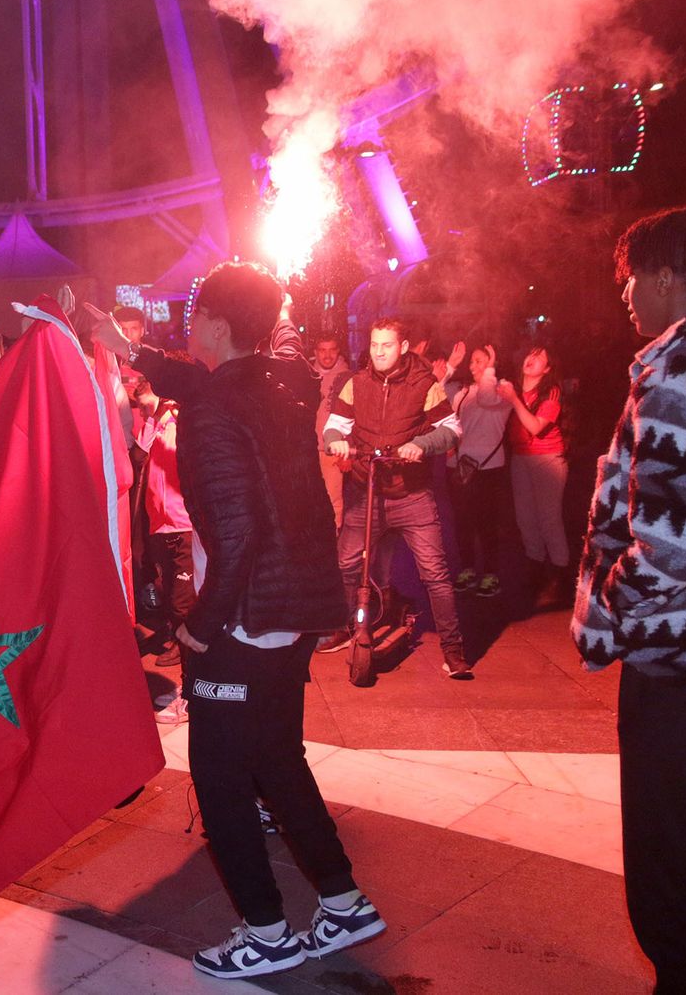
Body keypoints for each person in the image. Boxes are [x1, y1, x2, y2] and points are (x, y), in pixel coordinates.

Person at [94, 265, 383, 980]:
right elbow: (200, 383)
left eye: (195, 319)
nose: (188, 331)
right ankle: (342, 900)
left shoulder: (215, 409)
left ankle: (265, 929)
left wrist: (200, 625)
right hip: (294, 610)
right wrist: (120, 346)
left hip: (248, 616)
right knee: (279, 759)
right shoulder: (278, 384)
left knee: (221, 774)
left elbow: (239, 527)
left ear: (215, 327)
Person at [574, 205, 686, 994]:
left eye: (632, 278)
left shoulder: (676, 371)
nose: (627, 296)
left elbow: (665, 547)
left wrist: (603, 610)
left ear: (668, 277)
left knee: (680, 900)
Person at [321, 317, 471, 679]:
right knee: (345, 564)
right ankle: (348, 626)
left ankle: (453, 651)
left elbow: (452, 430)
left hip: (412, 495)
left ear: (402, 347)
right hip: (366, 489)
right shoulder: (356, 383)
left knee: (435, 573)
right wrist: (334, 441)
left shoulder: (424, 384)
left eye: (386, 345)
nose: (378, 352)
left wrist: (421, 444)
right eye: (374, 345)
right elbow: (334, 425)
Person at [131, 375, 192, 694]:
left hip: (184, 526)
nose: (143, 412)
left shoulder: (182, 421)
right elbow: (138, 458)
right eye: (140, 408)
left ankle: (192, 684)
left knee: (185, 604)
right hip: (161, 526)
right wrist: (151, 420)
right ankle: (184, 658)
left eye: (146, 406)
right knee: (169, 598)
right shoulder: (152, 425)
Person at [498, 345, 569, 604]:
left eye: (540, 358)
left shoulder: (551, 392)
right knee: (526, 519)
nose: (532, 359)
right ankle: (535, 569)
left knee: (549, 520)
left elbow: (536, 427)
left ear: (547, 369)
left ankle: (560, 577)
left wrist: (514, 400)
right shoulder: (513, 388)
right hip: (521, 459)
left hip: (547, 460)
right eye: (531, 354)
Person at [449, 345, 512, 597]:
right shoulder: (464, 392)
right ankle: (467, 569)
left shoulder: (502, 390)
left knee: (487, 523)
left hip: (489, 467)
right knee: (463, 522)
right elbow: (437, 398)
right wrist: (451, 367)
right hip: (462, 467)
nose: (473, 366)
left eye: (479, 361)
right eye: (472, 362)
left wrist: (491, 367)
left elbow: (487, 398)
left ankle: (490, 573)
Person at [310, 332, 350, 528]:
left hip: (332, 450)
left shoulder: (348, 378)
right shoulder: (305, 374)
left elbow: (355, 416)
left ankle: (333, 547)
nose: (327, 356)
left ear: (338, 351)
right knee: (308, 500)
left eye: (332, 350)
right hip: (306, 449)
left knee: (333, 500)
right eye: (323, 350)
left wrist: (347, 450)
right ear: (315, 352)